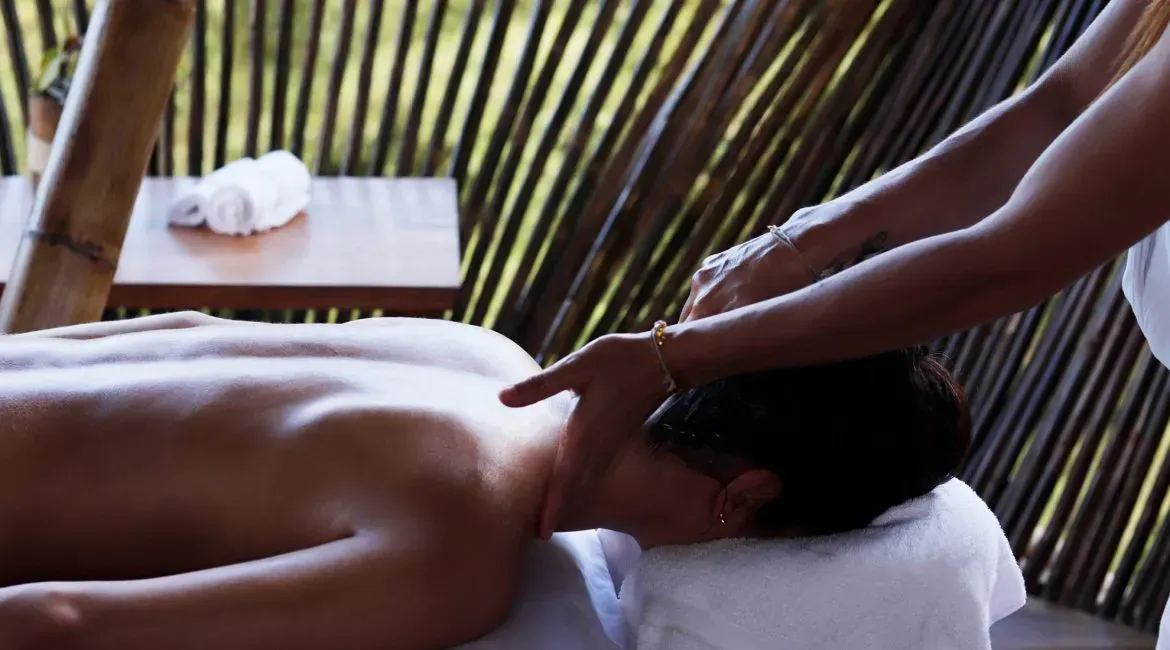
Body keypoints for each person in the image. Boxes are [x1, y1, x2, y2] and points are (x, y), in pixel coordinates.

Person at [499, 0, 1170, 629]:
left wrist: (677, 354)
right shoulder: (474, 520)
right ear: (747, 497)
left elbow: (1014, 254)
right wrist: (795, 243)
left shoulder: (491, 389)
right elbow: (1063, 105)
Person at [0, 311, 966, 650]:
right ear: (747, 497)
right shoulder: (461, 546)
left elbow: (178, 330)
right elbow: (53, 625)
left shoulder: (480, 353)